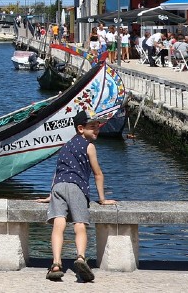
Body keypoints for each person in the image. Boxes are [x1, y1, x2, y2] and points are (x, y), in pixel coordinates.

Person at [36, 110, 117, 282]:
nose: (97, 130)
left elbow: (57, 172)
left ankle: (56, 263)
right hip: (76, 187)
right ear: (81, 128)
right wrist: (102, 199)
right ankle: (80, 257)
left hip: (58, 187)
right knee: (79, 224)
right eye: (92, 127)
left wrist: (51, 194)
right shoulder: (89, 147)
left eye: (98, 127)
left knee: (58, 223)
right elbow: (98, 174)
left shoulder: (65, 146)